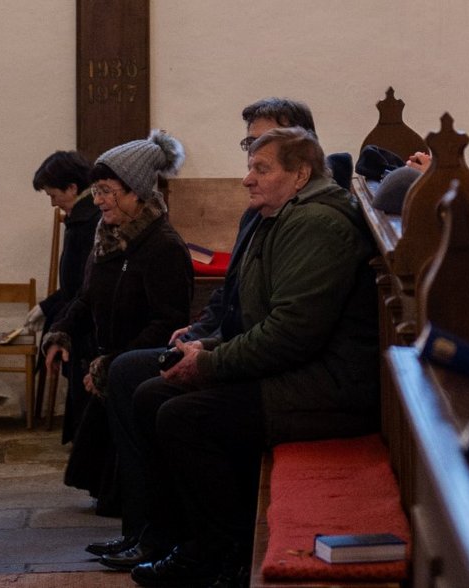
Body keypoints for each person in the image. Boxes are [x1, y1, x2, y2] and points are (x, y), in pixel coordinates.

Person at [111, 127, 379, 588]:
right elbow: (260, 317)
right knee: (153, 393)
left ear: (300, 174)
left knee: (182, 416)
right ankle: (189, 540)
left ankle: (223, 554)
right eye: (249, 167)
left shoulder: (316, 224)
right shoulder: (280, 217)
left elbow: (293, 333)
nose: (247, 180)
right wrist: (206, 347)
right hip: (301, 371)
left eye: (261, 168)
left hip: (330, 388)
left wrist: (209, 363)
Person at [88, 99, 319, 568]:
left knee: (148, 386)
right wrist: (199, 329)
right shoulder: (262, 210)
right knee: (135, 376)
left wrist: (209, 352)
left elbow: (284, 327)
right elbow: (232, 292)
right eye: (248, 146)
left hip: (277, 372)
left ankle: (190, 543)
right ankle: (151, 530)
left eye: (261, 150)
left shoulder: (310, 221)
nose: (247, 168)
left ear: (301, 155)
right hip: (234, 344)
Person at [42, 129, 193, 517]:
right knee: (107, 493)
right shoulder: (108, 235)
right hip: (110, 364)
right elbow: (88, 294)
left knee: (129, 487)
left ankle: (143, 537)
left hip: (137, 370)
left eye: (107, 190)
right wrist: (62, 331)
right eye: (97, 191)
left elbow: (168, 321)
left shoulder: (163, 246)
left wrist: (113, 366)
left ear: (136, 192)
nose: (99, 200)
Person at [28, 149, 97, 441]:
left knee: (86, 396)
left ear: (72, 187)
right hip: (76, 317)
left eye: (54, 194)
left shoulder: (89, 222)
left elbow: (85, 284)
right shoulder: (79, 218)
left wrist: (54, 310)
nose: (53, 203)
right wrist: (48, 306)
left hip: (87, 322)